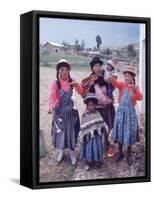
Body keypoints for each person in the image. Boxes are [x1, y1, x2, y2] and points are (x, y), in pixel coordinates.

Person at [48, 59, 83, 165]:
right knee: (60, 134)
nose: (64, 72)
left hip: (71, 114)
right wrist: (51, 106)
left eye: (66, 69)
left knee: (71, 133)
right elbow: (52, 96)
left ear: (69, 71)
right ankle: (61, 153)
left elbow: (81, 92)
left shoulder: (72, 81)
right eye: (61, 69)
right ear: (58, 71)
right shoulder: (56, 83)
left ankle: (72, 154)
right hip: (60, 114)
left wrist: (77, 85)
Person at [109, 65, 143, 165]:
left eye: (128, 76)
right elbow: (115, 82)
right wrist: (111, 77)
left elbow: (140, 98)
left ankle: (128, 154)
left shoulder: (135, 88)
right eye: (126, 76)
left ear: (133, 77)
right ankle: (120, 154)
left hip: (130, 115)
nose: (126, 78)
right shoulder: (122, 85)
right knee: (120, 132)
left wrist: (135, 90)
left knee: (128, 134)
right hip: (120, 113)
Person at [81, 57, 115, 148]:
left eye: (99, 65)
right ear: (92, 68)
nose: (98, 67)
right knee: (97, 128)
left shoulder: (106, 77)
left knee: (108, 126)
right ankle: (97, 145)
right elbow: (84, 93)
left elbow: (112, 88)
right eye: (95, 66)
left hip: (107, 106)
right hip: (96, 109)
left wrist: (110, 99)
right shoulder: (89, 80)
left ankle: (108, 144)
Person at [79, 93, 108, 170]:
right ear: (87, 105)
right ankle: (88, 162)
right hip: (88, 138)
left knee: (96, 148)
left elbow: (101, 123)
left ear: (95, 105)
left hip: (96, 137)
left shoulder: (97, 113)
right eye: (89, 105)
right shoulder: (85, 115)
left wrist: (104, 128)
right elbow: (83, 127)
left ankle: (96, 161)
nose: (91, 107)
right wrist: (84, 134)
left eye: (93, 105)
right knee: (89, 148)